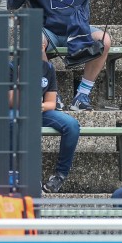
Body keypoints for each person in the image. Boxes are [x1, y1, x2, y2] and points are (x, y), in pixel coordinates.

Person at [35, 38, 79, 194]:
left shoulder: (48, 68)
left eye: (41, 42)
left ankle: (60, 175)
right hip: (18, 112)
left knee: (72, 125)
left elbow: (51, 103)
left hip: (39, 111)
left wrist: (38, 107)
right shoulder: (14, 66)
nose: (39, 45)